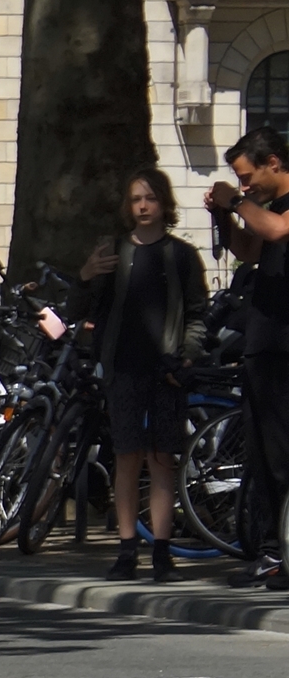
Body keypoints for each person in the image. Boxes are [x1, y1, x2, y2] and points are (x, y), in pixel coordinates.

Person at [78, 169, 207, 582]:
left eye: (150, 198)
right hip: (124, 367)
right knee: (127, 457)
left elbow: (198, 314)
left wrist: (186, 357)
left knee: (162, 459)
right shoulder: (113, 252)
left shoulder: (181, 255)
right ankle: (127, 548)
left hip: (164, 370)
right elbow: (86, 308)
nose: (143, 206)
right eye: (136, 199)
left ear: (164, 203)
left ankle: (162, 552)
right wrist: (85, 276)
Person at [207, 127, 289, 589]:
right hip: (264, 343)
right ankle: (272, 552)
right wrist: (225, 217)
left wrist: (236, 203)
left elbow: (277, 230)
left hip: (285, 347)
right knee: (262, 456)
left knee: (282, 455)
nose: (245, 186)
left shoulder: (280, 211)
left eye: (248, 176)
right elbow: (250, 249)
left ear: (273, 162)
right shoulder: (268, 208)